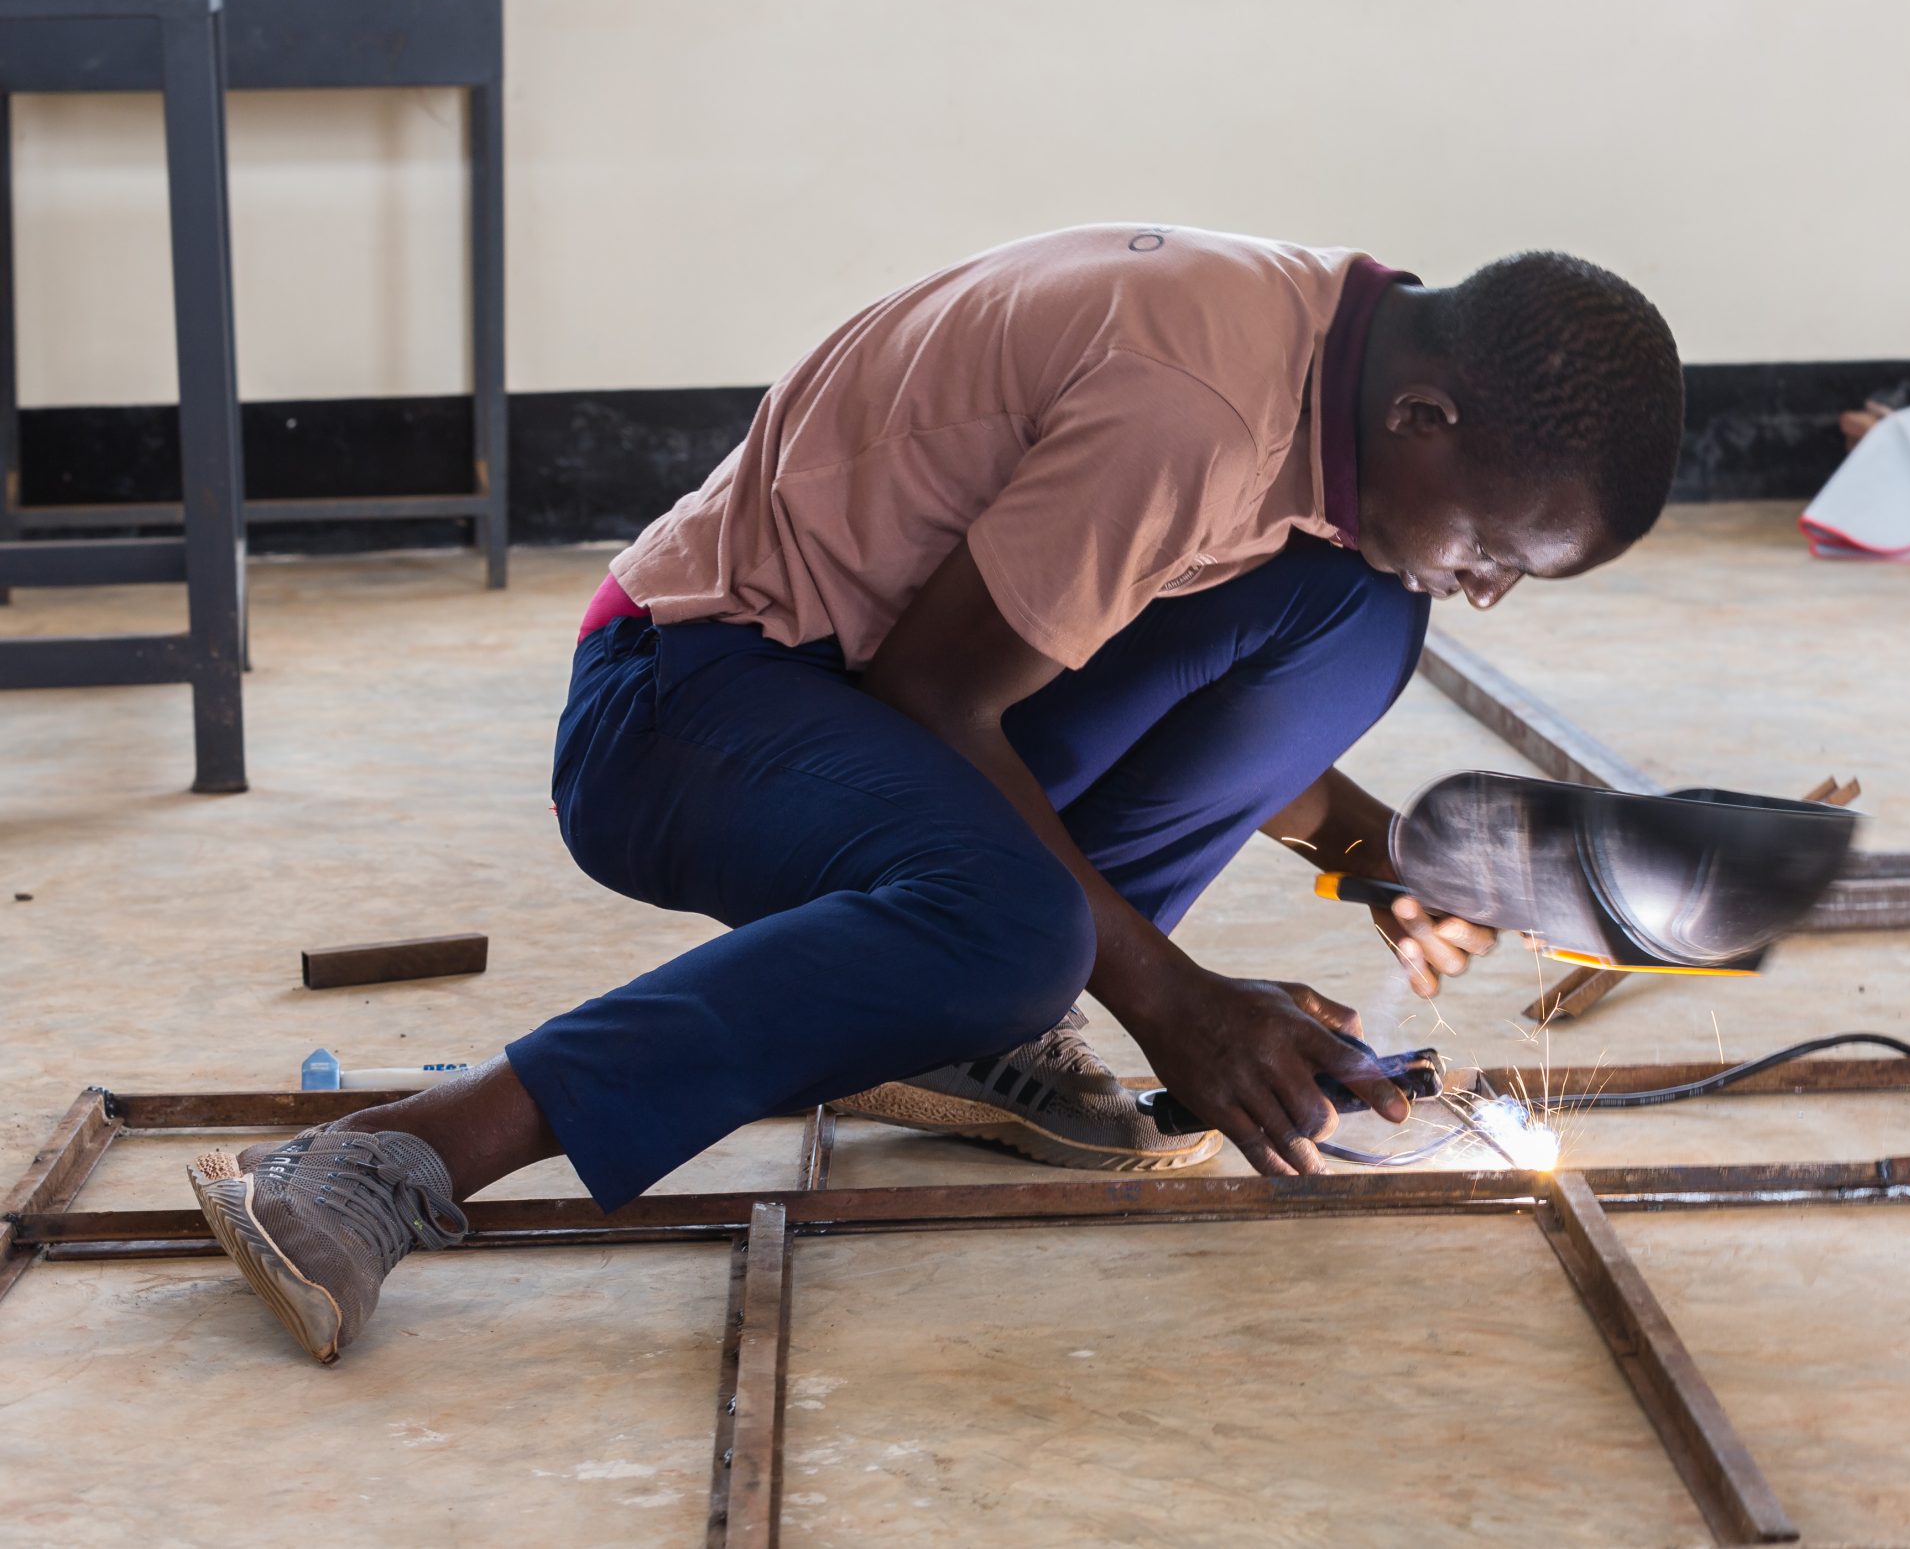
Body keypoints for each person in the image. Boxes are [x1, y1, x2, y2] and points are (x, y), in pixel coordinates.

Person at [185, 224, 1685, 1363]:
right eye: (1500, 546)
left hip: (855, 691)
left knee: (1356, 611)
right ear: (1426, 417)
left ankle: (970, 1018)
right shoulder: (1199, 410)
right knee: (1022, 928)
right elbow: (936, 698)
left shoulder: (1314, 363)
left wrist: (1374, 855)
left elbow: (1146, 659)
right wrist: (1173, 998)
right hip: (679, 700)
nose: (1488, 588)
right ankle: (395, 1153)